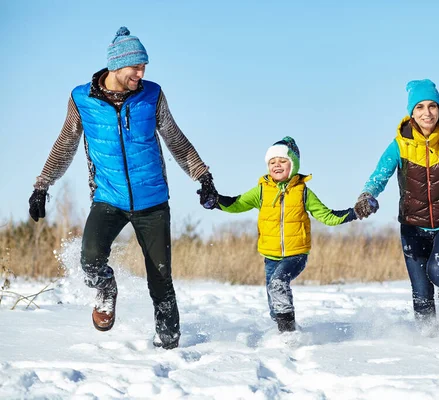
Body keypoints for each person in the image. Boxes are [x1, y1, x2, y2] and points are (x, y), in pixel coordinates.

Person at [28, 27, 218, 350]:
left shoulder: (152, 95)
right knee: (89, 258)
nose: (141, 74)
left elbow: (175, 139)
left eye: (144, 68)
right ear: (117, 66)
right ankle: (106, 290)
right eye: (136, 68)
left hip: (153, 200)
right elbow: (65, 145)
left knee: (160, 279)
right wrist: (42, 186)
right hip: (108, 198)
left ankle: (169, 344)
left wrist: (203, 176)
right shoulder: (81, 100)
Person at [354, 79, 439, 334]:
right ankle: (426, 347)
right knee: (421, 294)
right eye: (420, 107)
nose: (427, 113)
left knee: (438, 271)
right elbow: (378, 177)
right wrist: (367, 196)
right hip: (412, 225)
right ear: (411, 113)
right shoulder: (399, 145)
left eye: (432, 106)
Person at [200, 136, 357, 332]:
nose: (277, 165)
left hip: (296, 254)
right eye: (272, 162)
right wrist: (215, 201)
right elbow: (237, 204)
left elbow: (327, 216)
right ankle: (286, 329)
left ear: (293, 164)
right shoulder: (262, 191)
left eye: (283, 161)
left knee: (278, 284)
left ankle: (289, 335)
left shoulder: (303, 192)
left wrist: (354, 212)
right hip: (270, 256)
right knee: (274, 307)